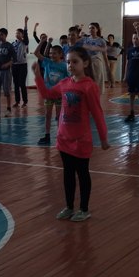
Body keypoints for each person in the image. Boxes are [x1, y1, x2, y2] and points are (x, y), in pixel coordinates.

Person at [32, 47, 109, 222]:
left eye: (75, 62)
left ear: (85, 63)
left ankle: (84, 209)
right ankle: (69, 207)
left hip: (81, 140)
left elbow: (97, 113)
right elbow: (47, 94)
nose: (70, 65)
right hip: (64, 139)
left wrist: (103, 137)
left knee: (82, 173)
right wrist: (37, 76)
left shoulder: (89, 86)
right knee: (67, 174)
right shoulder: (64, 83)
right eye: (68, 62)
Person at [34, 41, 70, 145]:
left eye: (54, 53)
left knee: (59, 116)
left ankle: (60, 135)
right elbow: (36, 53)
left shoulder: (64, 66)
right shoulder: (47, 62)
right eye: (50, 53)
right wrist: (42, 41)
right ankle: (47, 135)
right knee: (48, 115)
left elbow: (69, 79)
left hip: (59, 94)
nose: (51, 55)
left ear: (60, 54)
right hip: (48, 93)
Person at [78, 22, 108, 96]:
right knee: (87, 80)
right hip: (86, 62)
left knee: (97, 80)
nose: (91, 30)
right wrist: (79, 31)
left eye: (93, 28)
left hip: (96, 61)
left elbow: (104, 54)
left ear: (97, 29)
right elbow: (75, 42)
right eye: (89, 28)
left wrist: (107, 66)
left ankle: (96, 96)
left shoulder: (101, 41)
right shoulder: (85, 39)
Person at [11, 16, 30, 108]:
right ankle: (17, 101)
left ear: (22, 35)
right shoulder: (13, 43)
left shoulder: (24, 42)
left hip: (22, 65)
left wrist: (25, 23)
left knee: (22, 84)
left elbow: (26, 34)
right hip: (14, 65)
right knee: (16, 84)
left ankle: (25, 102)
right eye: (16, 33)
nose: (17, 34)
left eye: (19, 33)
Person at [0, 28, 14, 116]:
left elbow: (14, 59)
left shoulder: (9, 46)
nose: (0, 36)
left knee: (6, 90)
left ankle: (8, 108)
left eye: (2, 35)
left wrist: (7, 64)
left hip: (6, 71)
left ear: (6, 35)